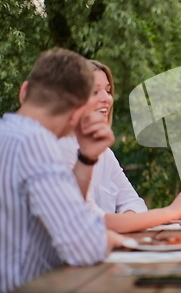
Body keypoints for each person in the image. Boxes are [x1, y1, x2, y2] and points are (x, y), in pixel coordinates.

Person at [0, 49, 126, 293]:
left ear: (24, 91)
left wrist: (87, 158)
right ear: (78, 113)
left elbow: (66, 214)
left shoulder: (7, 134)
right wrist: (111, 239)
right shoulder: (36, 144)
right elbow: (83, 247)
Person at [58, 60, 181, 233]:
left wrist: (127, 221)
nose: (107, 99)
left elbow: (133, 202)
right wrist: (171, 211)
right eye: (95, 92)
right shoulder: (61, 150)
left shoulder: (104, 153)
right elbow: (92, 221)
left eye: (107, 91)